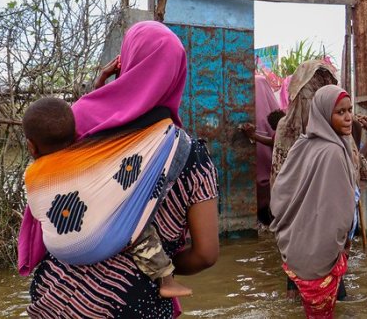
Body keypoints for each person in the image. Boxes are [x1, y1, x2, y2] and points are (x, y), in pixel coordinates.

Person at [22, 21, 219, 318]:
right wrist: (157, 267)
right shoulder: (191, 157)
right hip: (126, 303)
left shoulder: (82, 121)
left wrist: (97, 93)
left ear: (127, 62)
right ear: (177, 73)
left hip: (53, 295)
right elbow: (205, 254)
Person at [22, 95, 192, 298]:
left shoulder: (30, 176)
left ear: (31, 146)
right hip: (103, 244)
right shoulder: (91, 154)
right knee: (136, 222)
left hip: (61, 252)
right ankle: (166, 281)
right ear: (76, 133)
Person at [270, 85, 357, 319]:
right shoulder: (334, 152)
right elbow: (342, 215)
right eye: (340, 112)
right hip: (321, 255)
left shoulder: (302, 144)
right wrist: (340, 246)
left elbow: (280, 193)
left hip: (294, 249)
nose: (349, 117)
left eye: (350, 110)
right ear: (324, 113)